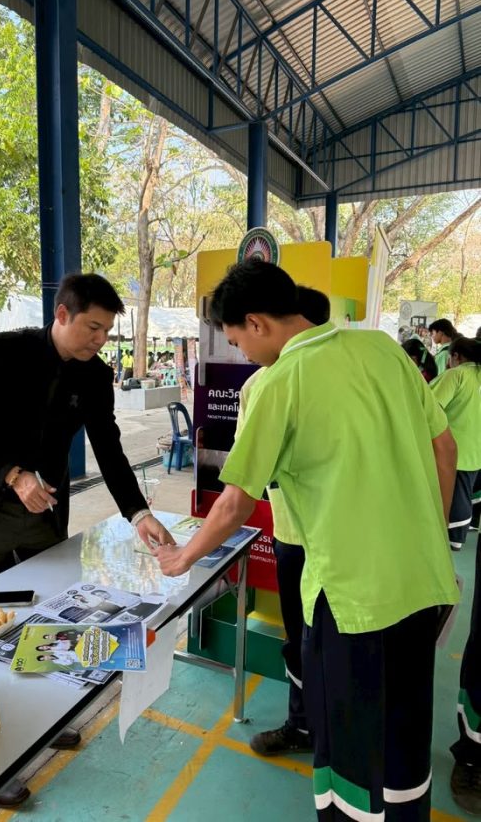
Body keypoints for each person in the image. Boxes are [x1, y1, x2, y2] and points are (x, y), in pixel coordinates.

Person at [157, 259, 460, 821]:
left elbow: (235, 502)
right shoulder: (383, 350)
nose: (244, 355)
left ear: (257, 322)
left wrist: (183, 556)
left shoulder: (278, 384)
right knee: (404, 736)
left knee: (350, 754)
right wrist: (430, 537)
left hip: (352, 600)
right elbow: (445, 448)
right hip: (423, 582)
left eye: (237, 341)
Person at [0, 272, 175, 809]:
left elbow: (108, 446)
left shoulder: (95, 375)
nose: (100, 340)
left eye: (107, 332)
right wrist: (14, 475)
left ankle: (39, 725)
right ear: (62, 314)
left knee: (47, 622)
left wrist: (138, 512)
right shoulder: (2, 352)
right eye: (92, 328)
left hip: (43, 513)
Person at [242, 286, 331, 758]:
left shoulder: (265, 386)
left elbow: (247, 484)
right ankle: (322, 729)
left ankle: (307, 727)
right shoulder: (364, 367)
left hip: (302, 539)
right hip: (340, 537)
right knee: (331, 640)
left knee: (305, 639)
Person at [432, 338, 481, 813]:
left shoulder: (459, 376)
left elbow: (426, 412)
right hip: (471, 457)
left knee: (452, 521)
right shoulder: (464, 375)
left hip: (461, 455)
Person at [430, 337, 481, 552]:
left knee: (453, 498)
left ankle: (453, 540)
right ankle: (459, 537)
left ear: (456, 356)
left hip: (454, 451)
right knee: (466, 495)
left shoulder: (456, 375)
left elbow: (430, 407)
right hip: (476, 451)